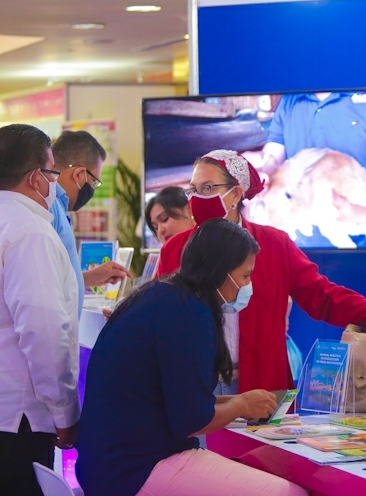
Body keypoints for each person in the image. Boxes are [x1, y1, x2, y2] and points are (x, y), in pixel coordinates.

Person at [76, 219, 308, 496]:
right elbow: (192, 420)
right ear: (221, 271)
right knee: (288, 492)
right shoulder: (188, 314)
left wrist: (239, 401)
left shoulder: (160, 296)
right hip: (135, 469)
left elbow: (178, 399)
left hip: (105, 464)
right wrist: (241, 404)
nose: (248, 286)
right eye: (245, 276)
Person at [157, 149, 366, 395]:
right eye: (193, 189)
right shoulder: (175, 249)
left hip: (261, 385)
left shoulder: (274, 244)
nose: (196, 198)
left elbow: (321, 295)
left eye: (207, 188)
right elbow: (159, 316)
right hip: (195, 387)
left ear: (235, 194)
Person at [0, 124, 80, 495]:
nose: (55, 186)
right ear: (35, 178)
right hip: (19, 417)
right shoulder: (29, 231)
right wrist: (64, 411)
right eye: (52, 174)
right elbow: (44, 331)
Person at [259, 91, 366, 245]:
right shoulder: (288, 101)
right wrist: (255, 170)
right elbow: (271, 162)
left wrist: (355, 214)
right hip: (299, 247)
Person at [50, 130, 130, 317]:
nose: (92, 189)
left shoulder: (58, 207)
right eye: (94, 182)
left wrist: (89, 278)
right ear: (79, 175)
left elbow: (59, 277)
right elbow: (45, 282)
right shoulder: (50, 208)